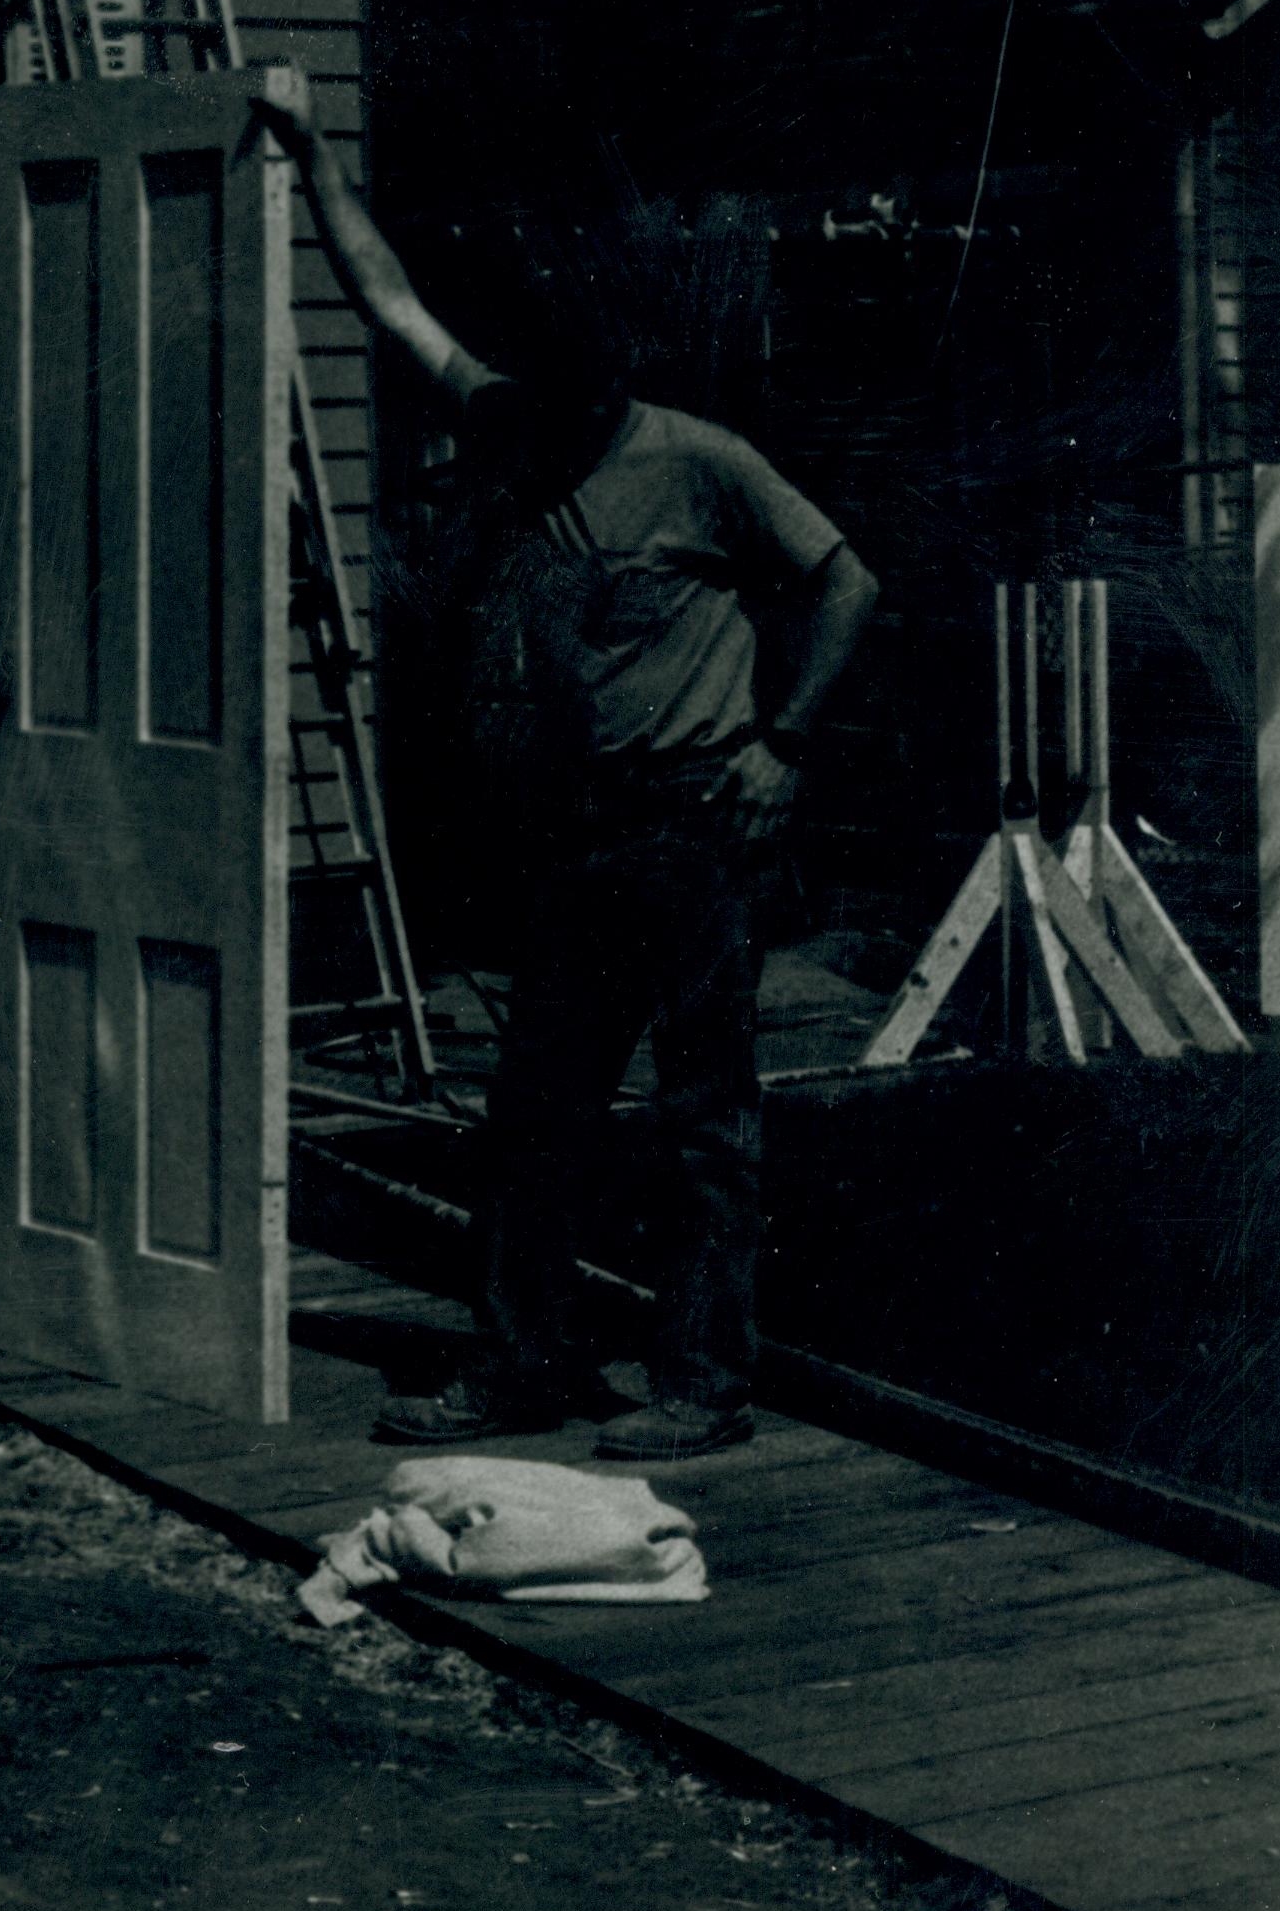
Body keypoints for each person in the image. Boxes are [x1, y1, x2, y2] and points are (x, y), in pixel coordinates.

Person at [254, 80, 881, 1462]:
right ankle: (522, 1365)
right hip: (571, 846)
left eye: (575, 372)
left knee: (704, 1121)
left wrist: (783, 743)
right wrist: (308, 157)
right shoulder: (512, 427)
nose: (552, 392)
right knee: (533, 1115)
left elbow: (844, 580)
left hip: (694, 827)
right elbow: (390, 301)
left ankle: (703, 1386)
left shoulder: (698, 461)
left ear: (612, 370)